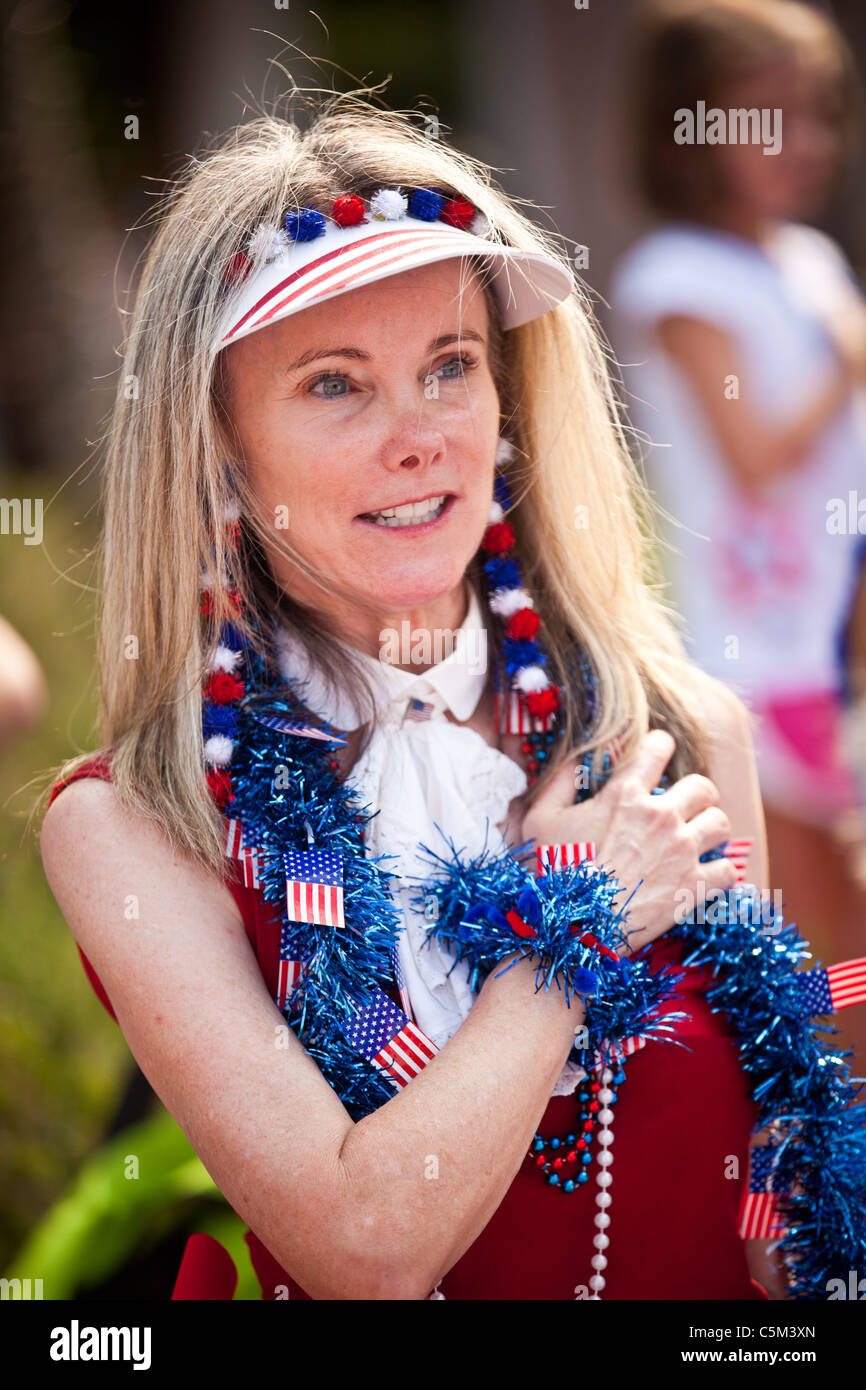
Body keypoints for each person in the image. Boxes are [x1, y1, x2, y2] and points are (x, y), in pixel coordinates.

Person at [38, 89, 792, 1302]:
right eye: (334, 384)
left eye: (450, 365)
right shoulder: (134, 827)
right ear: (217, 446)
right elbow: (363, 1248)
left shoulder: (680, 730)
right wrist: (575, 920)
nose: (418, 437)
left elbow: (767, 1207)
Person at [610, 0, 866, 1069]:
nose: (801, 144)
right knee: (826, 939)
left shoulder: (806, 259)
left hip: (837, 636)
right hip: (759, 659)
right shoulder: (674, 277)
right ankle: (837, 1136)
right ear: (690, 129)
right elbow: (756, 454)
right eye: (765, 119)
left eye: (813, 116)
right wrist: (851, 356)